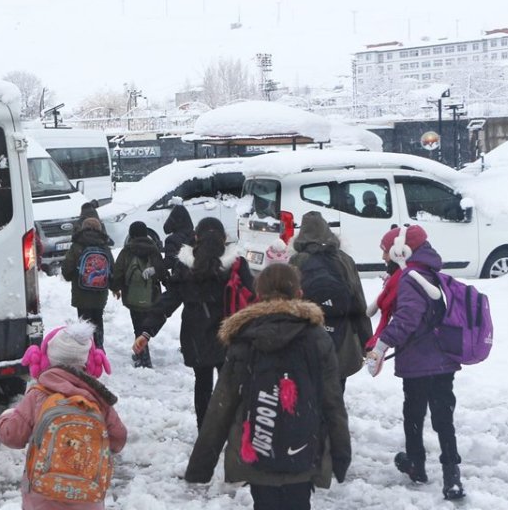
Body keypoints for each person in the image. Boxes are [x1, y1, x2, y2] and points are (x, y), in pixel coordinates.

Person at [185, 263, 351, 510]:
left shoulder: (246, 337)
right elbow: (332, 401)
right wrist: (340, 453)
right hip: (304, 448)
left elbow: (223, 403)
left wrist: (201, 464)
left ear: (259, 295)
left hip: (258, 446)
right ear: (299, 293)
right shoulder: (316, 338)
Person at [364, 225, 466, 500]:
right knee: (444, 418)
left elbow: (407, 318)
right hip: (444, 358)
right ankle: (452, 476)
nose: (384, 257)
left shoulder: (410, 278)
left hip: (419, 361)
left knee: (414, 416)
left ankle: (416, 466)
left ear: (401, 250)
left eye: (386, 251)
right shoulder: (432, 272)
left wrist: (382, 345)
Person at [0, 321, 126, 510]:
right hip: (86, 495)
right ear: (88, 363)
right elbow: (118, 440)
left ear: (46, 359)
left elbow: (12, 436)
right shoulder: (98, 399)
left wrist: (6, 417)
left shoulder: (38, 394)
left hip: (42, 494)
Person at [162, 216, 255, 429]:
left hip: (196, 336)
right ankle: (229, 427)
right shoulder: (236, 265)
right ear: (224, 239)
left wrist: (147, 330)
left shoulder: (186, 266)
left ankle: (204, 428)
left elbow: (170, 298)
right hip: (229, 335)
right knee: (230, 384)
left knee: (202, 384)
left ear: (196, 237)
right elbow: (252, 297)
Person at [289, 211, 372, 390]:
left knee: (309, 397)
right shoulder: (345, 261)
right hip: (343, 340)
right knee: (335, 395)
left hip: (306, 339)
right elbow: (358, 302)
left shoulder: (296, 261)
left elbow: (288, 303)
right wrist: (367, 341)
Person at [110, 221, 166, 368]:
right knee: (147, 326)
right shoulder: (153, 250)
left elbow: (118, 272)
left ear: (131, 234)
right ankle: (143, 353)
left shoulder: (127, 251)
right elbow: (162, 272)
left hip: (132, 297)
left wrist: (115, 288)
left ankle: (143, 358)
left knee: (138, 326)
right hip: (152, 295)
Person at [60, 218, 114, 348]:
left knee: (84, 323)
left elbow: (67, 270)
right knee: (98, 320)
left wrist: (73, 276)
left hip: (81, 292)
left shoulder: (77, 245)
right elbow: (112, 269)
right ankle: (99, 348)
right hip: (100, 293)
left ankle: (86, 350)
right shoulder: (104, 246)